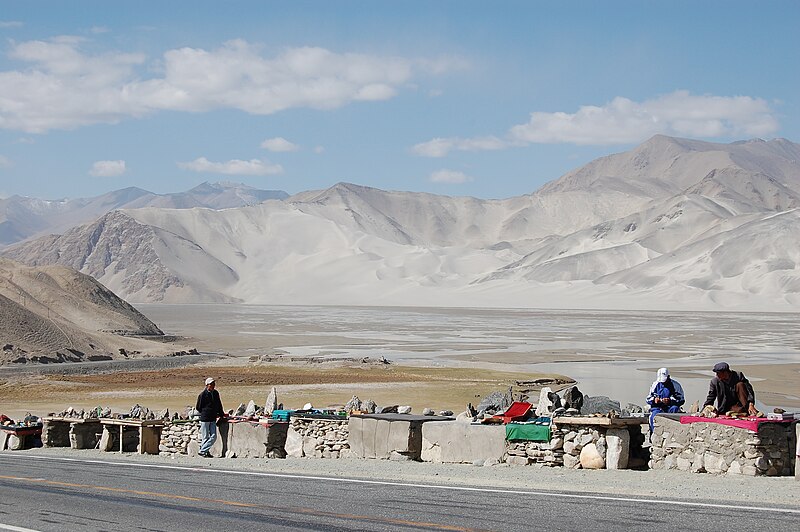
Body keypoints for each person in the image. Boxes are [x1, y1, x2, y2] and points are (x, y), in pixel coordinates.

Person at [646, 367, 685, 432]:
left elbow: (681, 400)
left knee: (675, 409)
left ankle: (672, 432)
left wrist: (670, 401)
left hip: (670, 407)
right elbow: (648, 399)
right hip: (658, 408)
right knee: (654, 415)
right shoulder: (655, 385)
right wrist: (654, 400)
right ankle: (654, 433)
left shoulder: (675, 385)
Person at [195, 377, 225, 458]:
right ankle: (204, 452)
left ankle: (202, 451)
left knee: (213, 436)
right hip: (205, 418)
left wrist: (221, 414)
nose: (213, 385)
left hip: (213, 418)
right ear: (207, 385)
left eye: (214, 384)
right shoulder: (202, 395)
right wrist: (205, 412)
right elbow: (198, 407)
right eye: (211, 384)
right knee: (205, 437)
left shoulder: (215, 393)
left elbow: (219, 404)